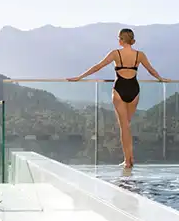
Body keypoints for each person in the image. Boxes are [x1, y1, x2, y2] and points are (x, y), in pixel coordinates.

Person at [67, 28, 167, 168]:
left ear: (120, 39)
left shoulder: (116, 53)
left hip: (120, 89)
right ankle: (130, 158)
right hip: (134, 90)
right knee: (127, 125)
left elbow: (98, 67)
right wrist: (161, 79)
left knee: (124, 126)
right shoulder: (139, 55)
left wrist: (79, 77)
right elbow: (151, 70)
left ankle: (127, 160)